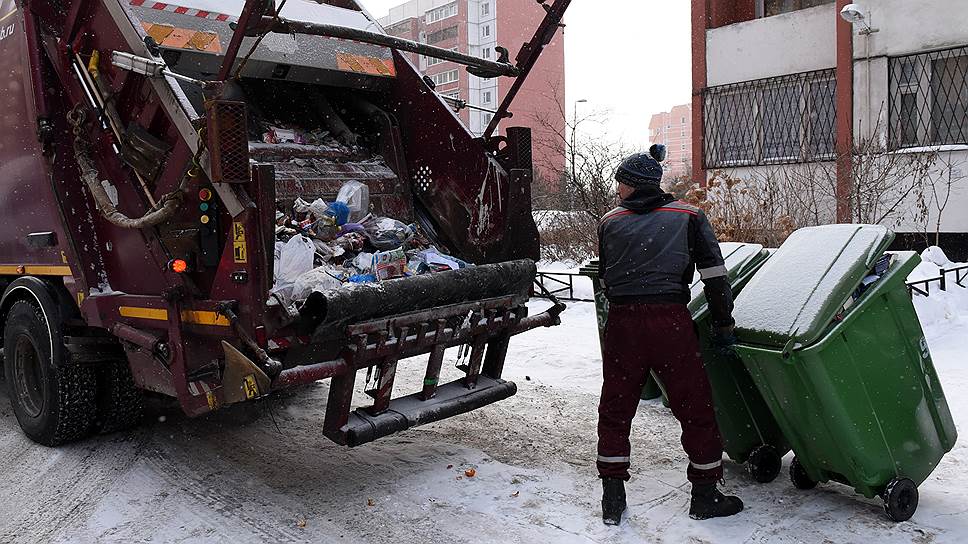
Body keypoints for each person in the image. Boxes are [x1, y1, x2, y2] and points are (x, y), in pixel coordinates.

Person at [596, 145, 743, 525]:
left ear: (633, 185)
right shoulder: (689, 216)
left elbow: (607, 274)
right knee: (694, 407)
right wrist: (724, 325)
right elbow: (715, 278)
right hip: (670, 322)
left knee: (616, 406)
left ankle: (612, 496)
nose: (617, 190)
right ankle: (705, 494)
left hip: (623, 323)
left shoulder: (610, 221)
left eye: (621, 183)